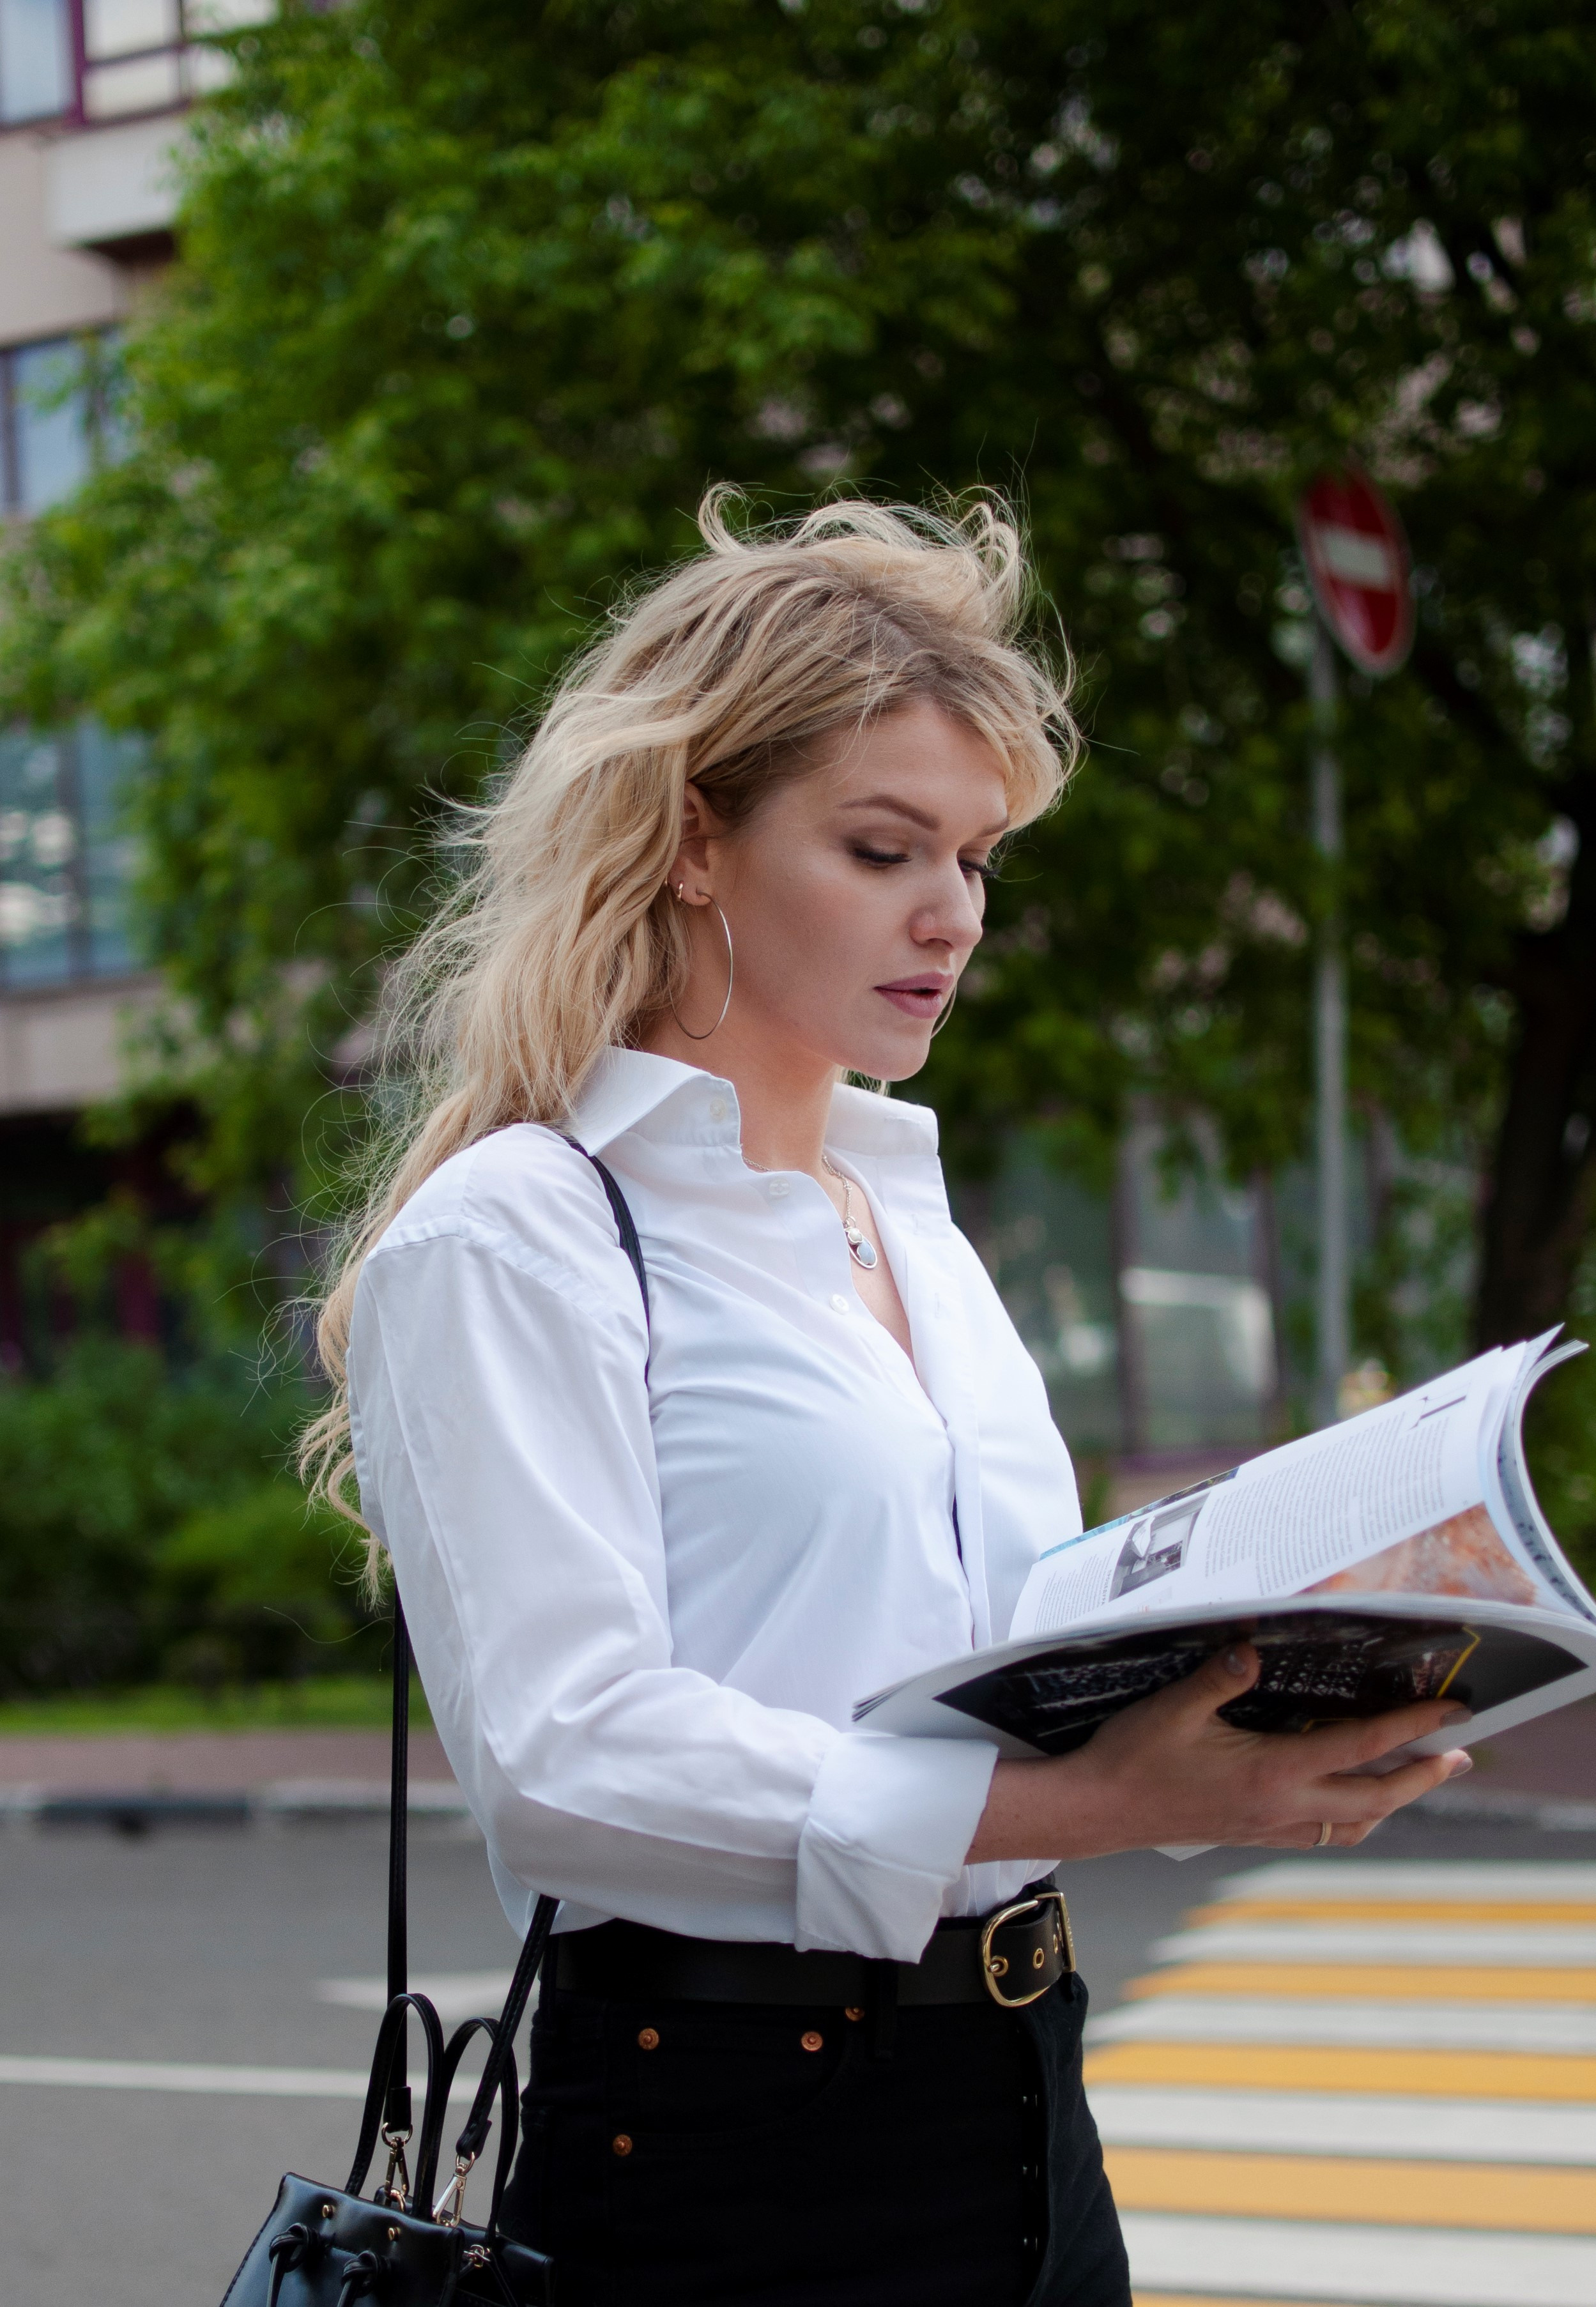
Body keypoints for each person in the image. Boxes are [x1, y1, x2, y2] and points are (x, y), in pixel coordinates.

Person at [305, 494, 1471, 2307]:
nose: (953, 915)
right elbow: (566, 1756)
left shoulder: (904, 1220)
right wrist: (1086, 1804)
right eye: (882, 847)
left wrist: (1255, 1714)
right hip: (732, 2140)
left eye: (979, 858)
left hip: (1015, 2087)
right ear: (695, 840)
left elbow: (994, 1666)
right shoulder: (519, 1231)